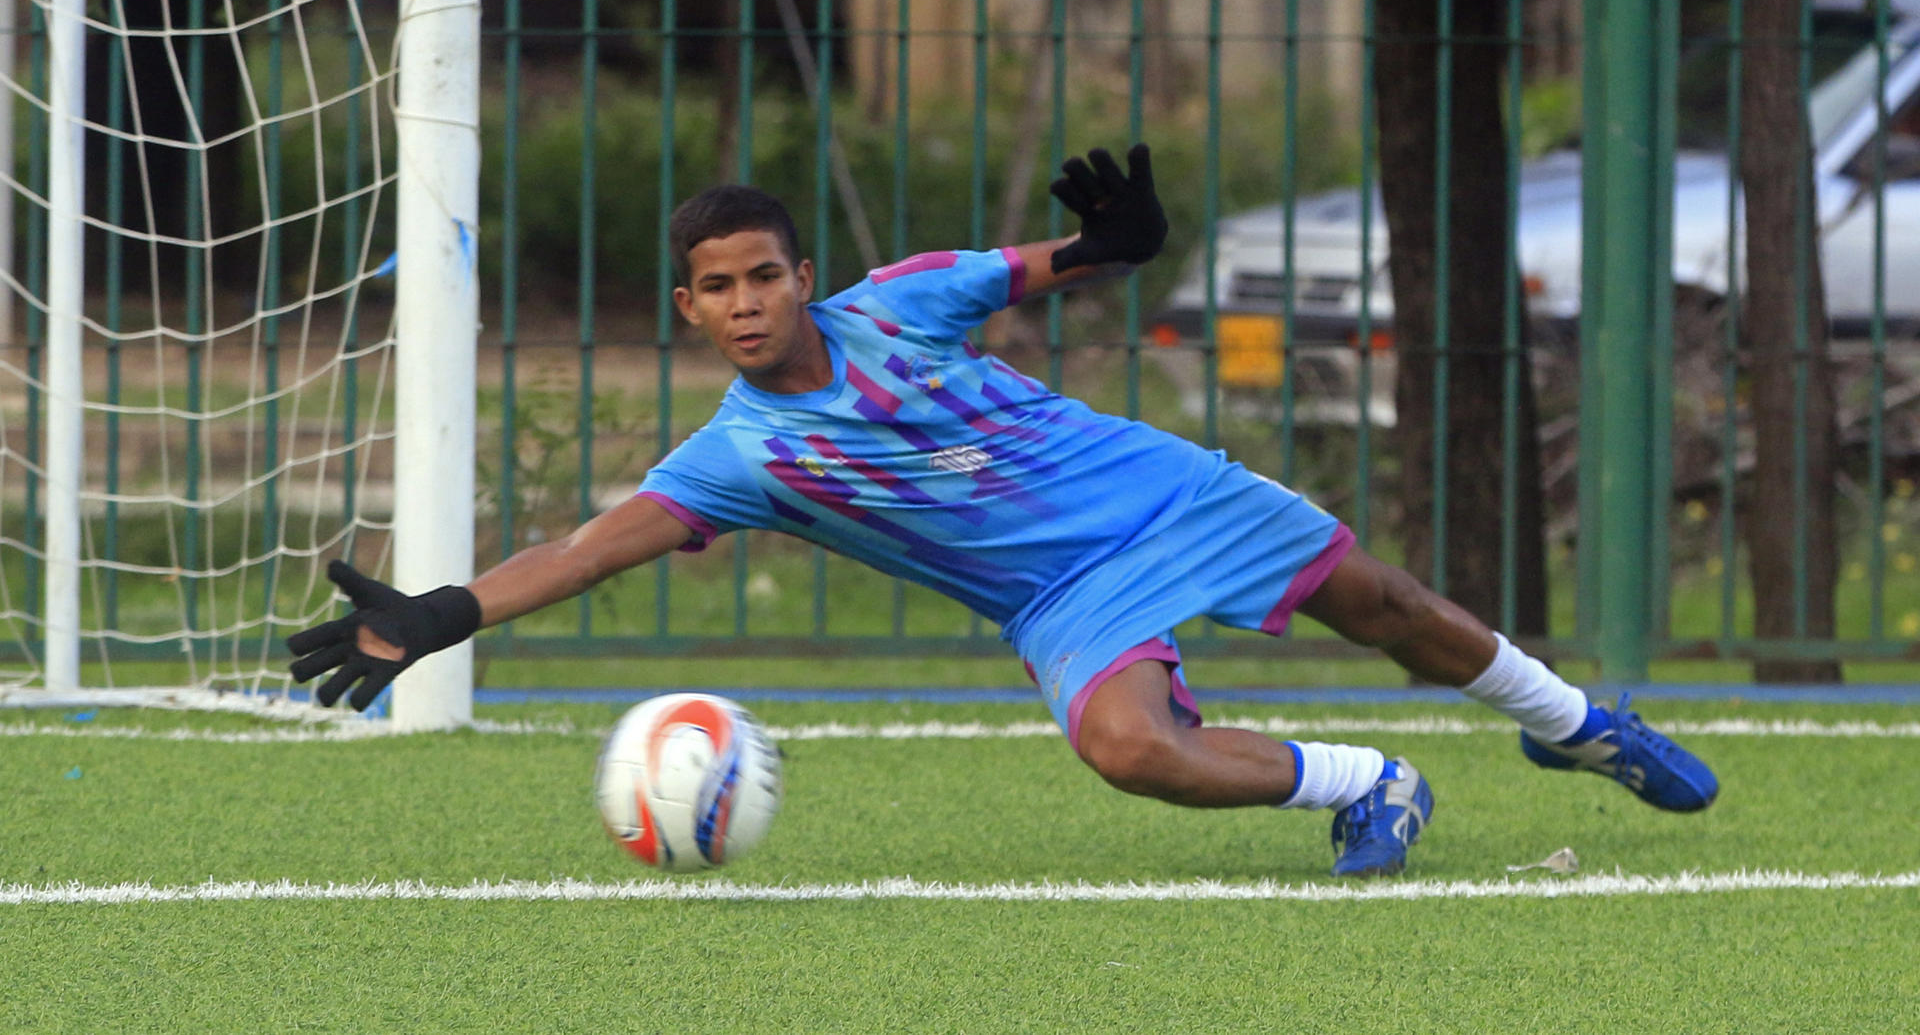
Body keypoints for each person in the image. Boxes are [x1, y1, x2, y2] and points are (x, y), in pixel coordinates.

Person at [287, 144, 1717, 877]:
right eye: (715, 287)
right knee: (1125, 748)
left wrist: (1116, 245)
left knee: (1389, 607)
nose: (743, 303)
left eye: (763, 275)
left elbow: (1050, 259)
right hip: (1060, 600)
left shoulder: (904, 298)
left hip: (1163, 490)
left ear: (802, 273)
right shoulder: (743, 456)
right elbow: (589, 548)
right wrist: (441, 612)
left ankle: (1574, 724)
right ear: (689, 306)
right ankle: (1371, 785)